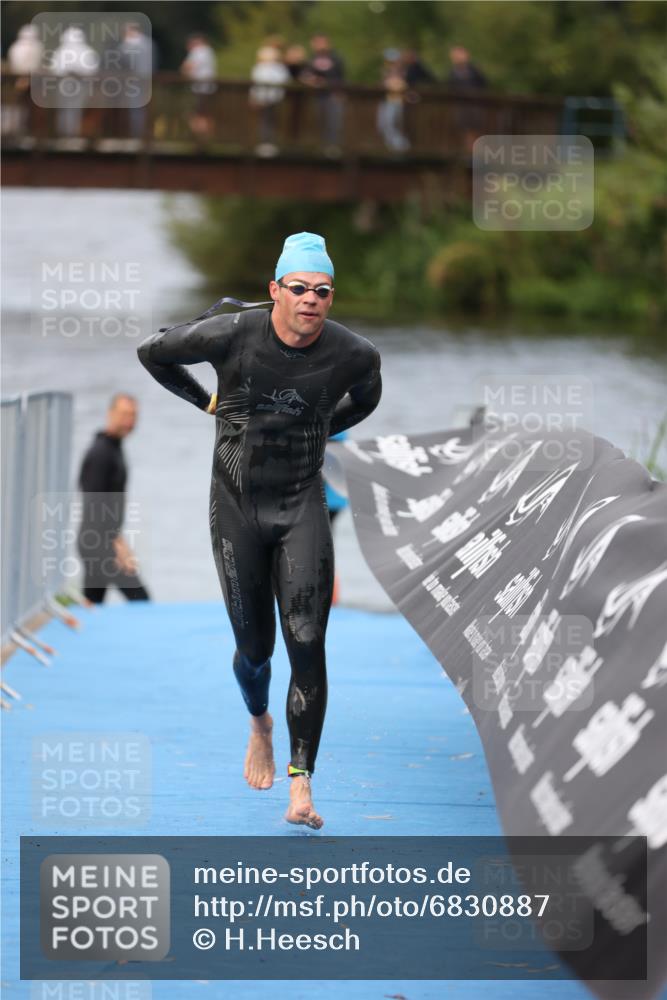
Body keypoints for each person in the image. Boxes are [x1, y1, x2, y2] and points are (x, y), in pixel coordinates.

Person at [137, 232, 382, 829]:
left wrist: (322, 422)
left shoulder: (355, 355)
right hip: (237, 508)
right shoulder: (230, 332)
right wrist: (205, 403)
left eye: (322, 291)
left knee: (307, 644)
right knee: (256, 650)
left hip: (302, 505)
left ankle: (302, 784)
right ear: (275, 290)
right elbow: (152, 352)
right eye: (298, 289)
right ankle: (260, 725)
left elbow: (366, 401)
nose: (311, 300)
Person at [77, 394, 150, 604]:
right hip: (98, 542)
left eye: (134, 415)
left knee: (92, 603)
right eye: (124, 414)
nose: (130, 420)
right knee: (141, 600)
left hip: (96, 540)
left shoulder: (113, 448)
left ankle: (83, 631)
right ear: (110, 414)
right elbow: (94, 504)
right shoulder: (101, 453)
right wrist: (118, 545)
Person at [302, 34, 345, 155]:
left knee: (334, 122)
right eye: (316, 42)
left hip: (333, 95)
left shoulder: (336, 58)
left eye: (321, 42)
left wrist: (325, 83)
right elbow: (305, 74)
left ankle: (333, 148)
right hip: (316, 96)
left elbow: (341, 78)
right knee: (319, 122)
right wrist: (309, 80)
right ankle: (320, 147)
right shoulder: (311, 59)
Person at [249, 45, 289, 157]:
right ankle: (265, 144)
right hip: (268, 99)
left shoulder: (272, 68)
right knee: (266, 121)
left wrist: (254, 97)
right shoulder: (264, 67)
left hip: (271, 99)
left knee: (268, 121)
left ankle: (268, 144)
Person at [180, 33, 217, 140]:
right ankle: (205, 138)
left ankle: (199, 138)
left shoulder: (199, 51)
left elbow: (187, 67)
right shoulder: (209, 51)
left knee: (197, 114)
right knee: (205, 113)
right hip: (208, 88)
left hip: (199, 88)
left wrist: (183, 72)